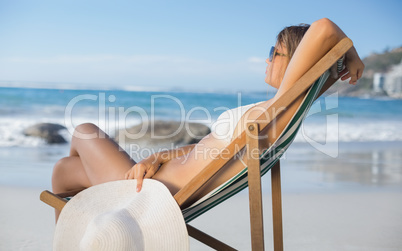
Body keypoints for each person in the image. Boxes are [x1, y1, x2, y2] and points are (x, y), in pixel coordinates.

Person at [52, 18, 364, 220]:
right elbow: (207, 151)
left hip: (154, 197)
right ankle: (87, 235)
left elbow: (324, 28)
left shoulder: (277, 112)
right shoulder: (275, 111)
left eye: (275, 51)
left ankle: (96, 229)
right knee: (64, 171)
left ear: (296, 60)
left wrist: (349, 52)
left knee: (84, 130)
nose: (267, 58)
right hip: (155, 181)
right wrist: (160, 156)